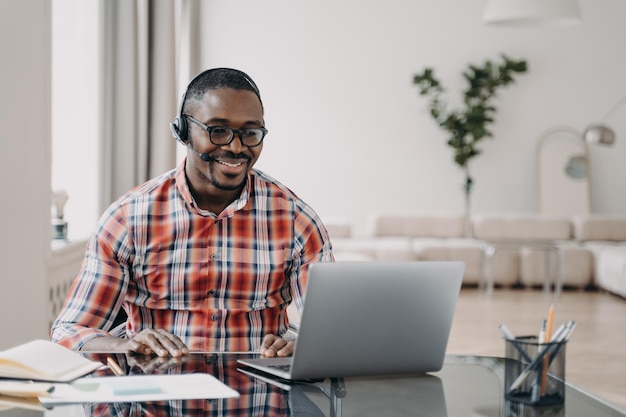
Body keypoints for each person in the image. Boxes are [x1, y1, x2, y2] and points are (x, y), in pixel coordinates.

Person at [50, 68, 333, 359]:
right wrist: (123, 346)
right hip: (156, 399)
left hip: (260, 401)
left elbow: (333, 335)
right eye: (218, 130)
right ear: (182, 131)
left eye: (249, 133)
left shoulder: (296, 221)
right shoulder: (127, 220)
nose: (235, 147)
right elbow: (69, 333)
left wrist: (305, 346)